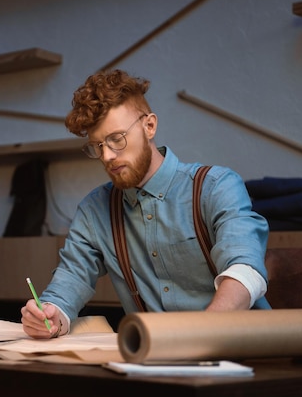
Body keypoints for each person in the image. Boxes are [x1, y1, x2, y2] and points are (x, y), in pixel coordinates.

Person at [21, 69, 271, 339]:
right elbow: (71, 279)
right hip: (157, 359)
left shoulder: (216, 186)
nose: (107, 156)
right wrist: (50, 316)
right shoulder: (94, 210)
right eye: (97, 146)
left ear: (149, 126)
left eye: (117, 139)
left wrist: (203, 334)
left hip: (244, 354)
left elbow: (245, 268)